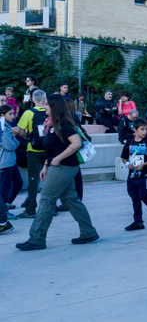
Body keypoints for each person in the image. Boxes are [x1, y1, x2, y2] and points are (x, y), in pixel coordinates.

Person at [16, 93, 99, 251]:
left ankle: (36, 239)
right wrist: (46, 165)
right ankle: (88, 232)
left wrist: (58, 159)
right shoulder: (52, 123)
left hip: (63, 167)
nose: (44, 107)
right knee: (71, 200)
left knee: (47, 200)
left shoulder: (64, 123)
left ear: (55, 107)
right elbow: (53, 149)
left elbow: (76, 143)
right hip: (60, 166)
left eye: (47, 104)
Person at [17, 89, 48, 218]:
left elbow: (21, 133)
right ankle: (51, 208)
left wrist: (30, 135)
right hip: (48, 150)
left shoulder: (28, 113)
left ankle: (30, 209)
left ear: (32, 100)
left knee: (33, 179)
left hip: (33, 150)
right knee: (50, 179)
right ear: (45, 99)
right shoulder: (49, 111)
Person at [0, 105, 21, 233]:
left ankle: (5, 208)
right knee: (4, 189)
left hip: (10, 161)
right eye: (10, 114)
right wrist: (15, 143)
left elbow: (15, 141)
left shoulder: (6, 125)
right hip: (5, 162)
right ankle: (4, 215)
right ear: (2, 115)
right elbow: (9, 145)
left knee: (18, 183)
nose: (13, 116)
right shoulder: (2, 126)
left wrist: (15, 143)